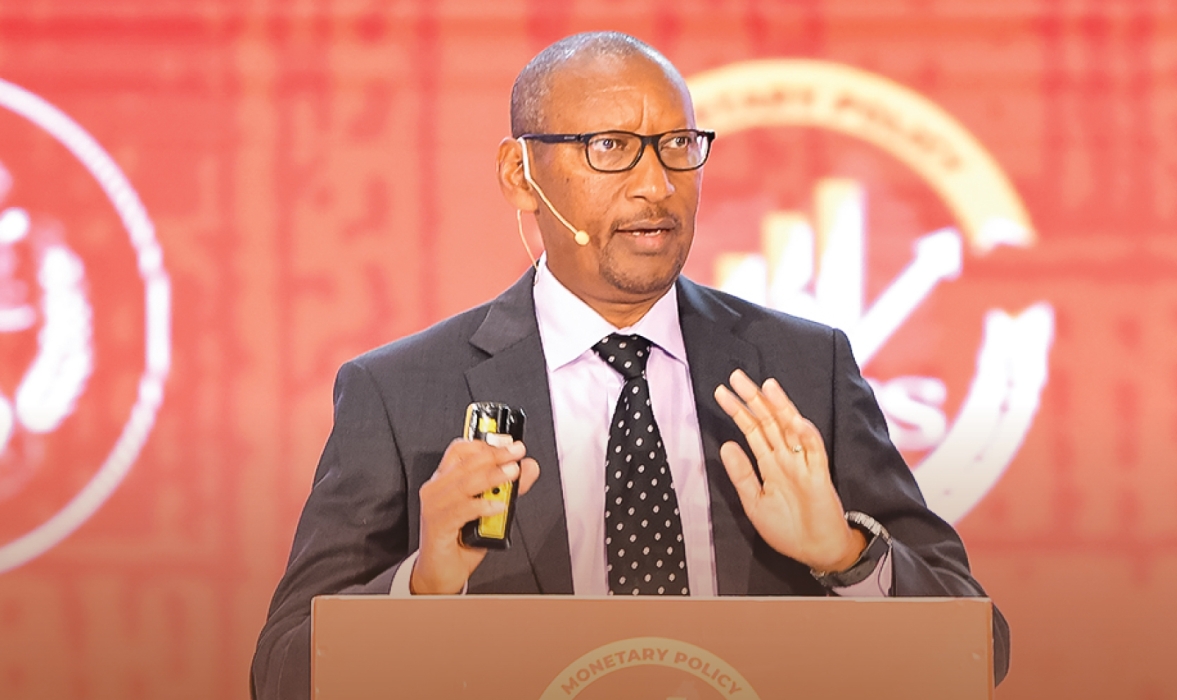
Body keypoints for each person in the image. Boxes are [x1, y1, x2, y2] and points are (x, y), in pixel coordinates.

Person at [252, 31, 1010, 699]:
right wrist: (423, 588)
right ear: (520, 173)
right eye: (610, 147)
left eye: (678, 144)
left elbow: (979, 647)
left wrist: (846, 555)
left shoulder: (805, 369)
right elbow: (282, 673)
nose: (657, 184)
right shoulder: (400, 392)